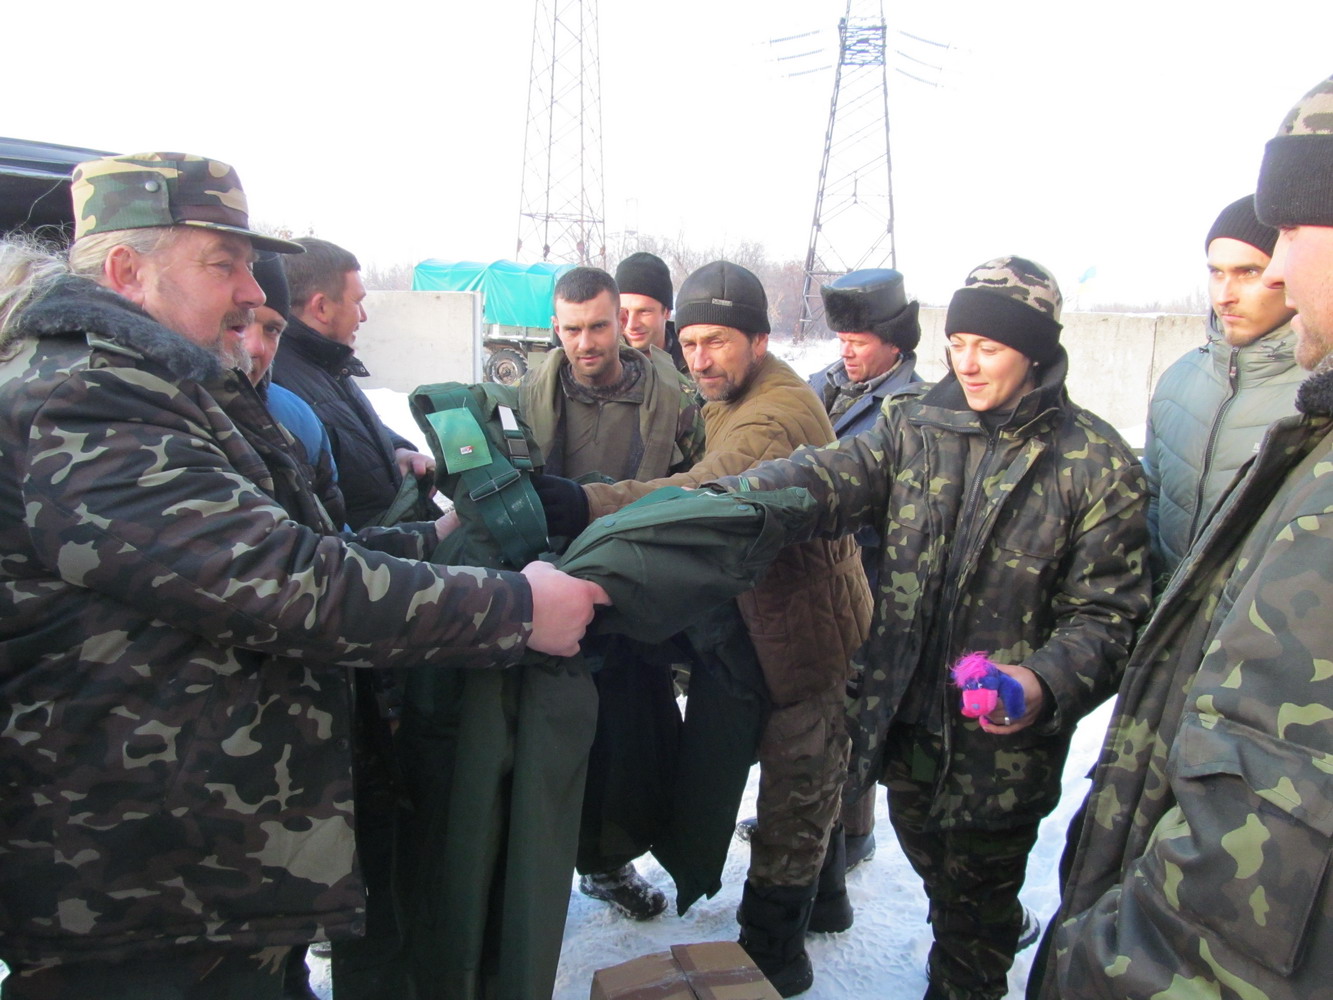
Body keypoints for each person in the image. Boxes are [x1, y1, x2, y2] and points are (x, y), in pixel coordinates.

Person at [0, 151, 606, 999]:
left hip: (205, 871)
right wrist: (516, 609)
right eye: (224, 263)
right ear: (128, 271)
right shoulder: (83, 397)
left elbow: (291, 544)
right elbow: (276, 579)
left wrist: (431, 539)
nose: (252, 290)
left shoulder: (157, 383)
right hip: (141, 891)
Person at [712, 257, 1151, 1000]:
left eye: (989, 347)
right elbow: (829, 476)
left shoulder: (1095, 466)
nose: (966, 363)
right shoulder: (914, 426)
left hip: (998, 754)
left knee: (971, 930)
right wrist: (733, 500)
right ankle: (971, 922)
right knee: (935, 870)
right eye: (957, 343)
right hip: (907, 726)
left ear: (1034, 349)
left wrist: (1039, 681)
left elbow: (1111, 619)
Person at [1039, 73, 1333, 1000]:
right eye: (1221, 269)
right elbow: (1153, 573)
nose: (1253, 282)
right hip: (1168, 720)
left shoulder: (1303, 413)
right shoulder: (1178, 389)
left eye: (1275, 247)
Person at [535, 260, 873, 996]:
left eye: (716, 341)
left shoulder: (773, 415)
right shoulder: (733, 392)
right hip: (776, 618)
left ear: (760, 340)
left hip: (807, 633)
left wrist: (588, 503)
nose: (698, 360)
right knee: (808, 774)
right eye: (688, 343)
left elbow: (705, 490)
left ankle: (774, 954)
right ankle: (826, 903)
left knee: (796, 788)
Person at [521, 265, 704, 918]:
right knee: (546, 750)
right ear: (555, 327)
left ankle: (606, 863)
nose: (586, 343)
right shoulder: (527, 397)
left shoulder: (672, 399)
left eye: (598, 327)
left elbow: (699, 485)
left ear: (619, 322)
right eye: (571, 330)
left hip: (634, 604)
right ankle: (536, 880)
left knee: (631, 748)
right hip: (546, 603)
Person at [1142, 194, 1301, 582]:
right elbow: (1151, 502)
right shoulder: (1178, 380)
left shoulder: (1319, 397)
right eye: (1216, 272)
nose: (1224, 295)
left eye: (1248, 272)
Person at [273, 236, 437, 529]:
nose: (363, 316)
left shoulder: (326, 362)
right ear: (321, 307)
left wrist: (398, 450)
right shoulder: (280, 382)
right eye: (357, 302)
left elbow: (350, 428)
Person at [616, 250, 687, 372]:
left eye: (644, 311)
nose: (631, 324)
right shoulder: (603, 365)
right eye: (623, 312)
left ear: (667, 312)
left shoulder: (693, 360)